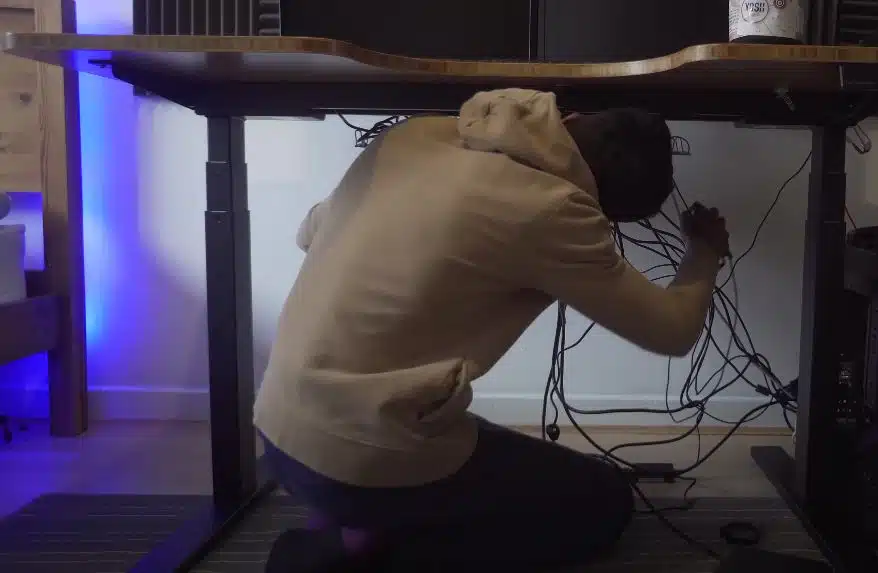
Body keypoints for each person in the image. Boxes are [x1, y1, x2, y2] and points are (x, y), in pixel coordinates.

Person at [254, 88, 730, 573]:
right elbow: (672, 331)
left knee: (469, 438)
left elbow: (308, 230)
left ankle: (350, 517)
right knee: (604, 502)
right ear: (601, 209)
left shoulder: (416, 133)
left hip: (276, 429)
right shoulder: (557, 209)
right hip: (360, 457)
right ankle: (351, 552)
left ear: (574, 117)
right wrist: (705, 251)